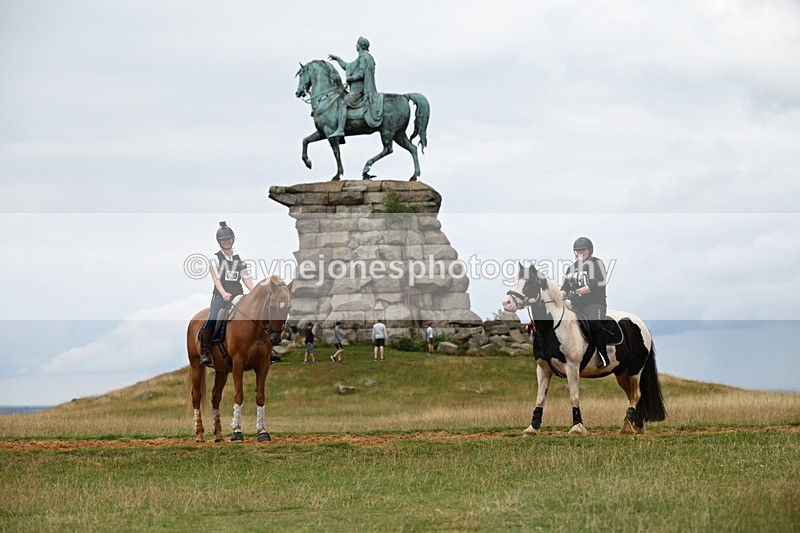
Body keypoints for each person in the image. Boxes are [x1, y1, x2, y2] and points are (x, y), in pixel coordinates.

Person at [199, 221, 254, 367]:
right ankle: (205, 351)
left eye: (229, 239)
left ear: (233, 239)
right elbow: (216, 279)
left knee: (255, 314)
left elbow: (246, 278)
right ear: (219, 242)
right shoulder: (215, 258)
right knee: (213, 317)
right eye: (223, 240)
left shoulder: (239, 259)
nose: (226, 241)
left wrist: (254, 292)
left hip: (238, 295)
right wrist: (223, 293)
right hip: (221, 296)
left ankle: (266, 347)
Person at [560, 236, 610, 368]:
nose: (580, 252)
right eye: (578, 250)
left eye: (583, 250)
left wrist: (578, 291)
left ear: (590, 250)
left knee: (594, 323)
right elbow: (565, 287)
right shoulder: (571, 268)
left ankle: (603, 355)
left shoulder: (597, 264)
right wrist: (557, 296)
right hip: (576, 306)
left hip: (594, 304)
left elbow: (596, 284)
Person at [328, 36, 384, 137]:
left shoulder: (364, 57)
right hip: (356, 90)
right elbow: (347, 66)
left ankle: (340, 129)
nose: (356, 46)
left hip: (359, 90)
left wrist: (351, 78)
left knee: (342, 103)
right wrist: (337, 59)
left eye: (357, 44)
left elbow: (362, 74)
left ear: (361, 46)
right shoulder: (360, 58)